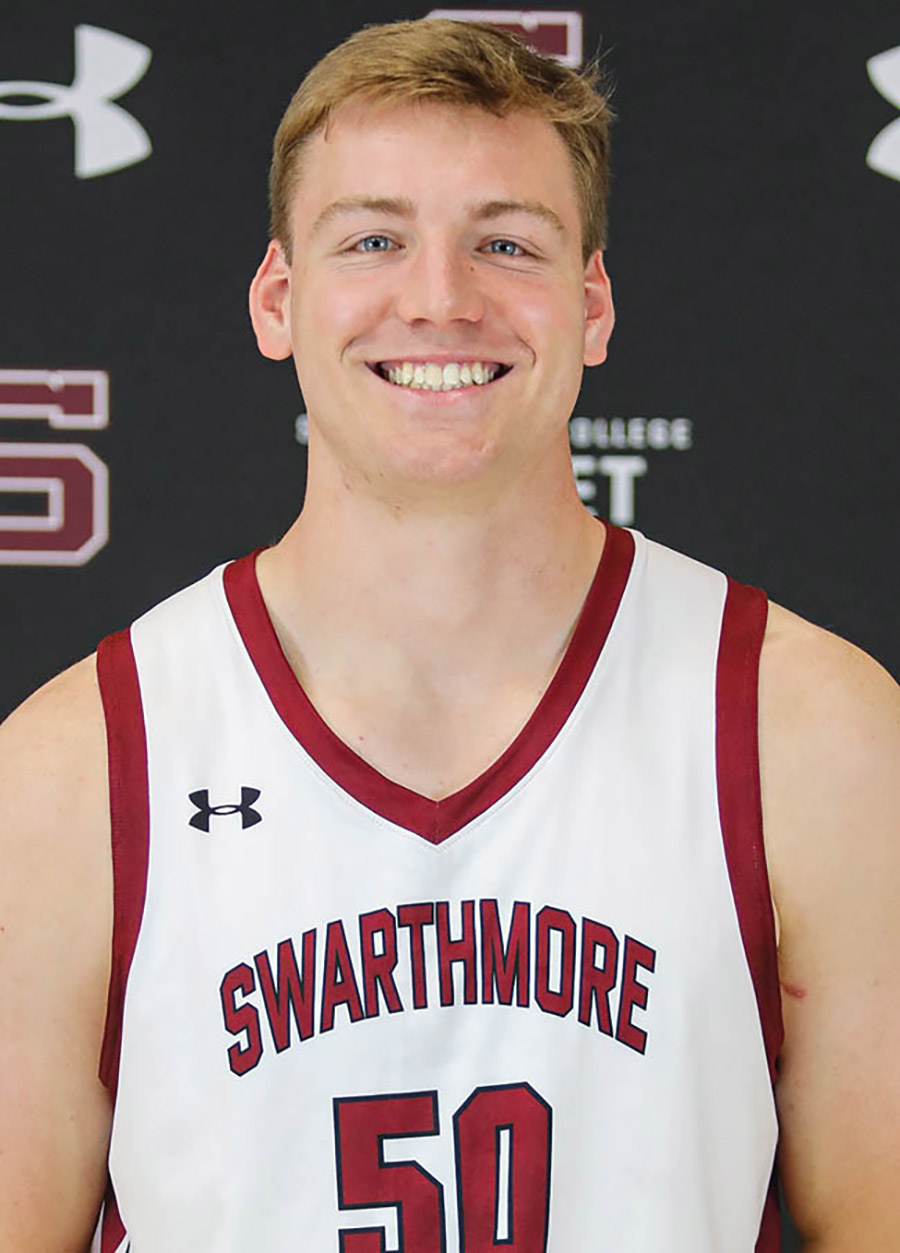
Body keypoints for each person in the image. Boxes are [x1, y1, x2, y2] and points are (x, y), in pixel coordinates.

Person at [1, 18, 898, 1252]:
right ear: (279, 300)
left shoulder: (809, 731)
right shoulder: (78, 769)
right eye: (373, 238)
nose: (439, 298)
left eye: (505, 244)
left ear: (592, 306)